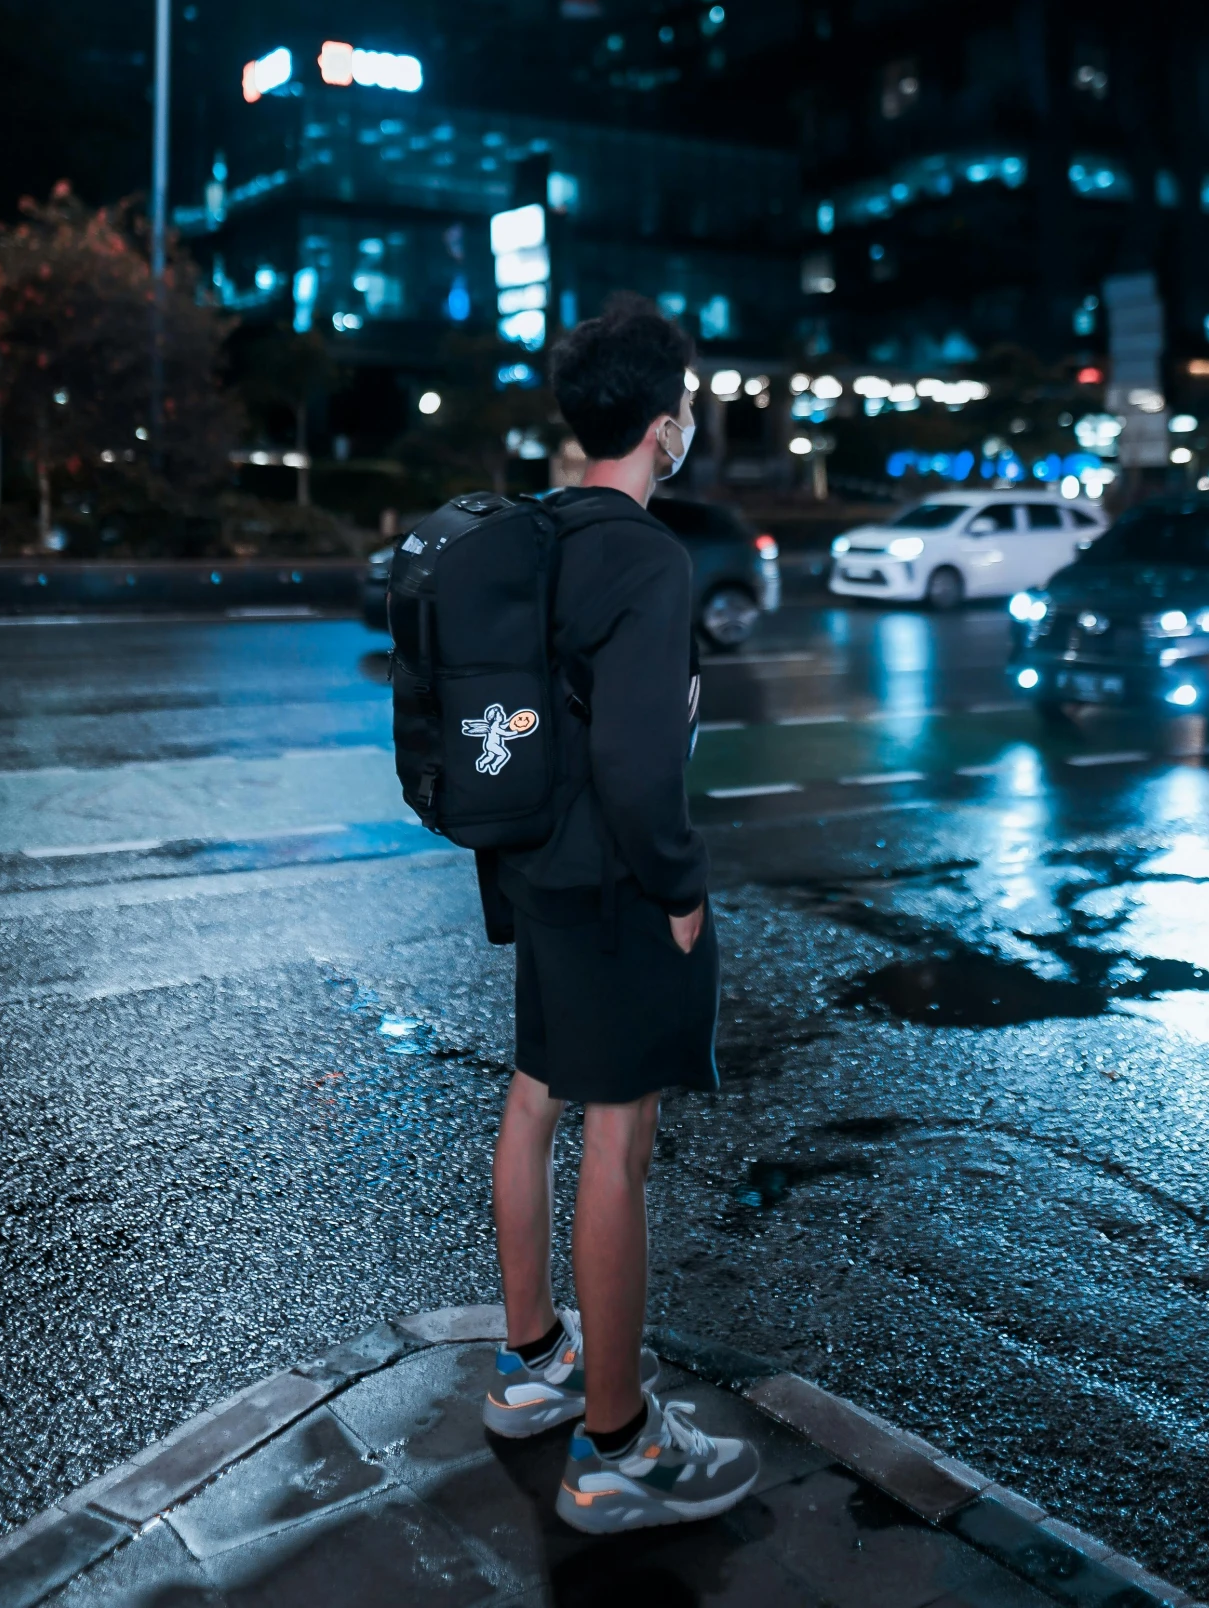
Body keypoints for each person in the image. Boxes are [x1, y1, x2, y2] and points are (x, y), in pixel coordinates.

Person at [479, 295, 760, 1532]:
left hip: (535, 869)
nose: (691, 419)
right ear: (661, 424)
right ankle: (616, 1442)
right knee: (619, 1144)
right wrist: (684, 887)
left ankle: (531, 1362)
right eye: (687, 402)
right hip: (612, 886)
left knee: (534, 1099)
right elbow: (644, 770)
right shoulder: (645, 555)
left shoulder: (534, 534)